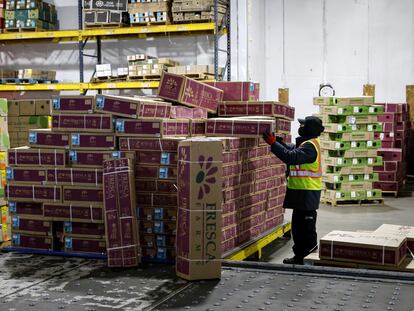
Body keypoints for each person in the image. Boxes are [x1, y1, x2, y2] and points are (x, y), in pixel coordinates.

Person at [263, 116, 324, 265]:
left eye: (303, 125)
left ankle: (309, 259)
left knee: (307, 230)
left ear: (308, 128)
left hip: (308, 193)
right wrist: (278, 142)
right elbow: (292, 148)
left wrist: (273, 144)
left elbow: (292, 156)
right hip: (300, 192)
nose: (300, 127)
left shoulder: (310, 146)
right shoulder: (307, 143)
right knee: (297, 228)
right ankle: (299, 256)